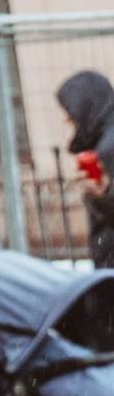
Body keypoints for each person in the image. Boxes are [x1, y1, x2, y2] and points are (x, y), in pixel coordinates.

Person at [54, 70, 114, 268]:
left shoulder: (108, 148)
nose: (67, 118)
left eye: (71, 108)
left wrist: (102, 195)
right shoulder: (103, 139)